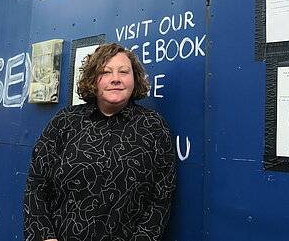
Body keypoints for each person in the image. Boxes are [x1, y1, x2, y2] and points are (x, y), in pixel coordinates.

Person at [23, 43, 176, 241]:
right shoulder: (64, 122)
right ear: (93, 79)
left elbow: (161, 197)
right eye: (105, 72)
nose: (116, 79)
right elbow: (36, 185)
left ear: (135, 79)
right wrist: (45, 237)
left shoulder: (154, 127)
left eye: (124, 72)